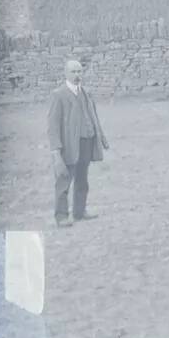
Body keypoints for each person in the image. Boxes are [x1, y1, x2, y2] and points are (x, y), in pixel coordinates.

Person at [47, 59, 109, 228]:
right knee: (64, 179)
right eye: (73, 72)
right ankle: (61, 216)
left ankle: (80, 212)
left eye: (79, 71)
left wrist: (101, 136)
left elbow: (94, 117)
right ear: (65, 73)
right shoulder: (58, 95)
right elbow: (52, 126)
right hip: (69, 146)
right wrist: (56, 150)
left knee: (82, 179)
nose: (77, 75)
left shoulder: (86, 93)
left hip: (87, 142)